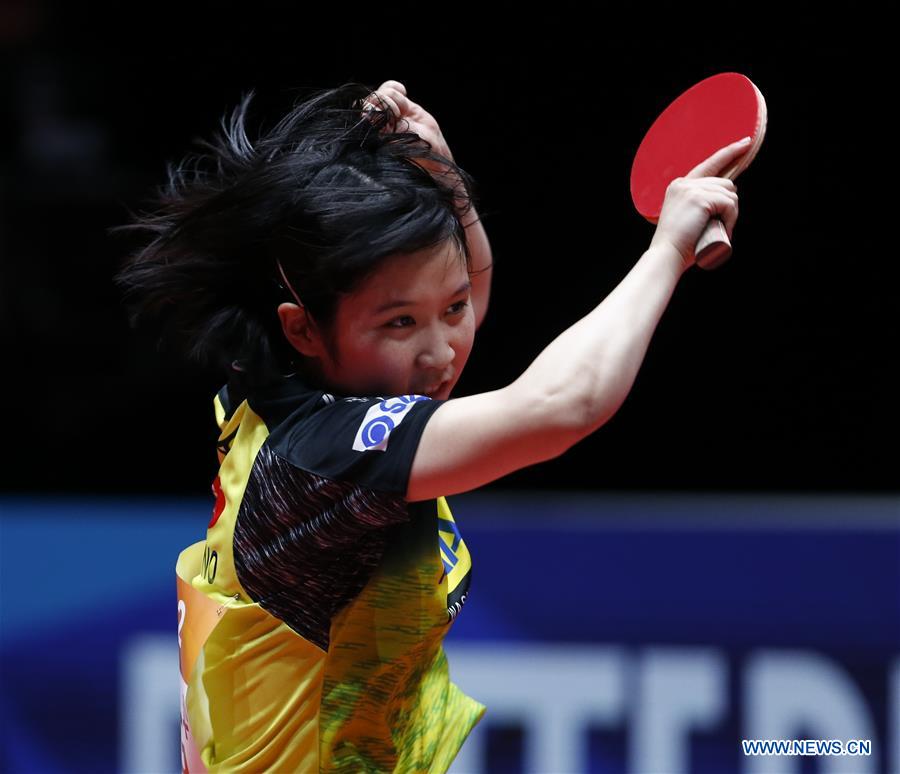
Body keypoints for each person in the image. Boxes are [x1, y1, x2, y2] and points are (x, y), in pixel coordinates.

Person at [114, 79, 747, 772]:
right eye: (399, 323)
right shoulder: (323, 461)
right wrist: (667, 252)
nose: (442, 350)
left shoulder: (290, 390)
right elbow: (562, 406)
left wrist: (440, 175)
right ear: (303, 328)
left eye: (449, 311)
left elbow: (464, 287)